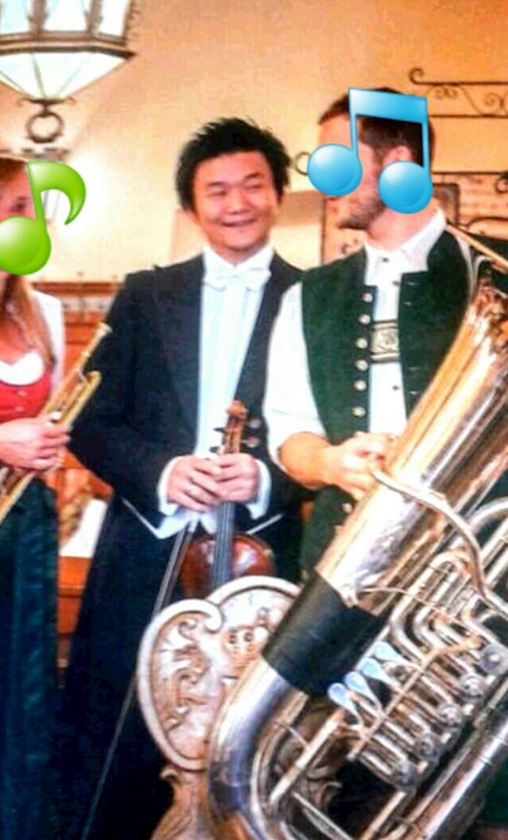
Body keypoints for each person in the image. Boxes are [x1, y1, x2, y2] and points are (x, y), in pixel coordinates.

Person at [264, 90, 508, 840]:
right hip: (349, 581)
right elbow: (288, 435)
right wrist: (330, 461)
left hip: (483, 584)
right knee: (345, 791)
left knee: (502, 796)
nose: (321, 175)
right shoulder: (308, 296)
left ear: (399, 160)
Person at [56, 117, 305, 840]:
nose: (236, 204)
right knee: (118, 735)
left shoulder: (314, 295)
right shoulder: (145, 293)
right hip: (144, 548)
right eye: (216, 190)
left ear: (277, 194)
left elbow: (332, 433)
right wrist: (162, 472)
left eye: (252, 185)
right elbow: (91, 421)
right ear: (191, 208)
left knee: (250, 736)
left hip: (262, 557)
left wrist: (265, 478)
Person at [0, 156, 68, 840]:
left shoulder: (43, 315)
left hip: (24, 531)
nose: (35, 222)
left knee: (19, 695)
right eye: (17, 209)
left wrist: (45, 450)